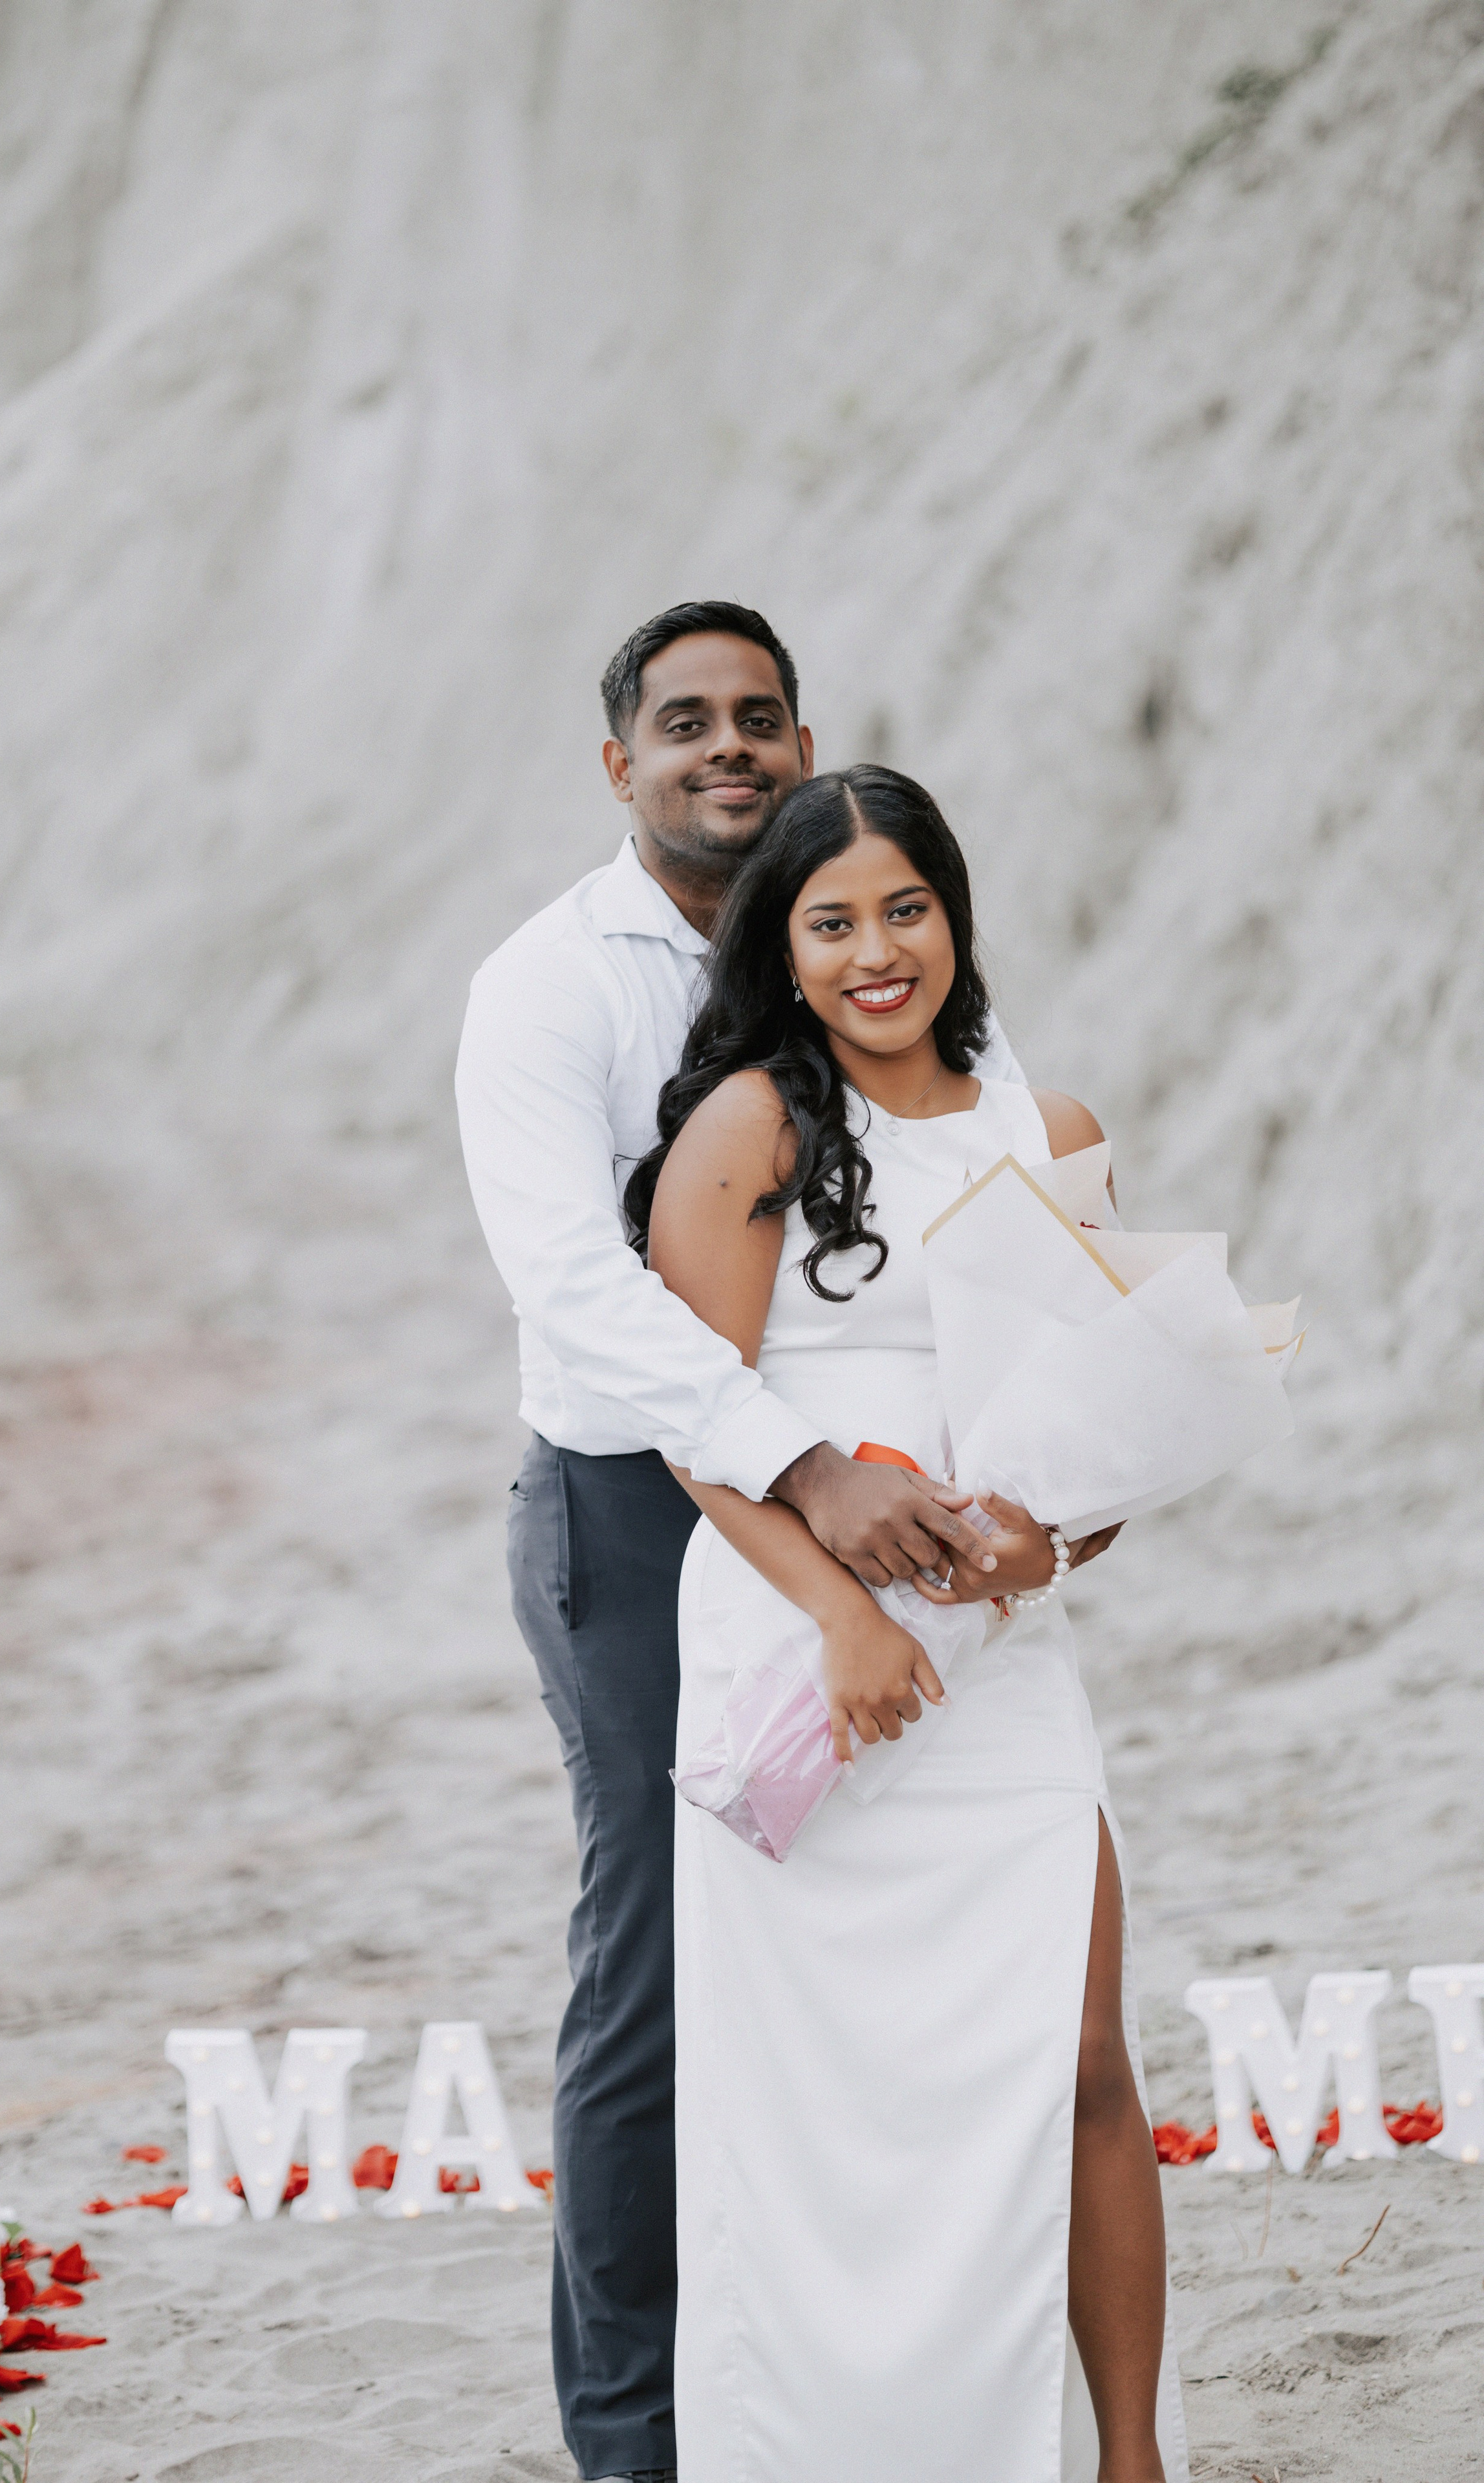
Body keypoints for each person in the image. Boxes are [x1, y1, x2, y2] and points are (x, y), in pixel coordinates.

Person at [456, 605, 1056, 2482]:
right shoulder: (546, 989)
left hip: (886, 1509)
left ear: (805, 745)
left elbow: (1003, 1199)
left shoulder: (861, 942)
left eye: (763, 717)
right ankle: (636, 2440)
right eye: (686, 721)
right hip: (638, 1517)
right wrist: (804, 1471)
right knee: (661, 1959)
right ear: (618, 761)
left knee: (863, 1956)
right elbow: (580, 1292)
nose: (732, 745)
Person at [626, 763, 1188, 2481]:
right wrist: (842, 1620)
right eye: (833, 919)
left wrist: (1051, 1549)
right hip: (809, 1663)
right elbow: (693, 1426)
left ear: (956, 917)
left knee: (1082, 2058)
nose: (878, 950)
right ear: (784, 949)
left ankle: (1128, 2458)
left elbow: (1108, 1430)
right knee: (813, 2106)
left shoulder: (1054, 1136)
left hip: (1005, 1679)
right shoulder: (749, 1132)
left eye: (908, 908)